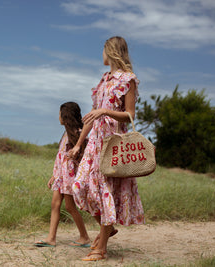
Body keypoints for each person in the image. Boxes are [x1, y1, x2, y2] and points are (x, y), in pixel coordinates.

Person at [69, 36, 145, 261]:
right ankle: (108, 229)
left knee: (105, 194)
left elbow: (130, 114)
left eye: (103, 49)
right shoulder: (103, 80)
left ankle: (100, 249)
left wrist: (105, 112)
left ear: (111, 51)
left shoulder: (128, 79)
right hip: (95, 143)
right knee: (79, 186)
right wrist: (80, 144)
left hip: (113, 144)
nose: (101, 54)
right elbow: (91, 118)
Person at [34, 102, 91, 248]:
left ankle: (84, 236)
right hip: (61, 175)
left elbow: (82, 156)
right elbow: (60, 156)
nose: (58, 117)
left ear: (65, 115)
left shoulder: (79, 133)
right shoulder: (66, 133)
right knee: (55, 204)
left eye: (60, 113)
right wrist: (54, 175)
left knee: (70, 207)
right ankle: (51, 238)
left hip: (70, 176)